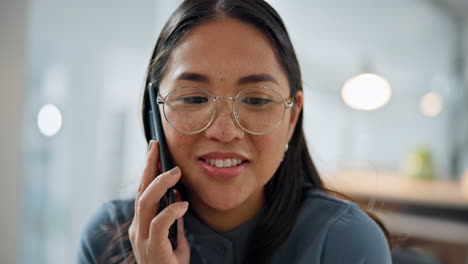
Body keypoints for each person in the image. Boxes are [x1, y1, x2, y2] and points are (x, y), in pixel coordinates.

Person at [77, 0, 392, 263]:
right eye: (193, 98)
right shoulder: (106, 238)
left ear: (292, 116)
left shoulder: (346, 243)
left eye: (256, 100)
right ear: (154, 111)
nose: (224, 131)